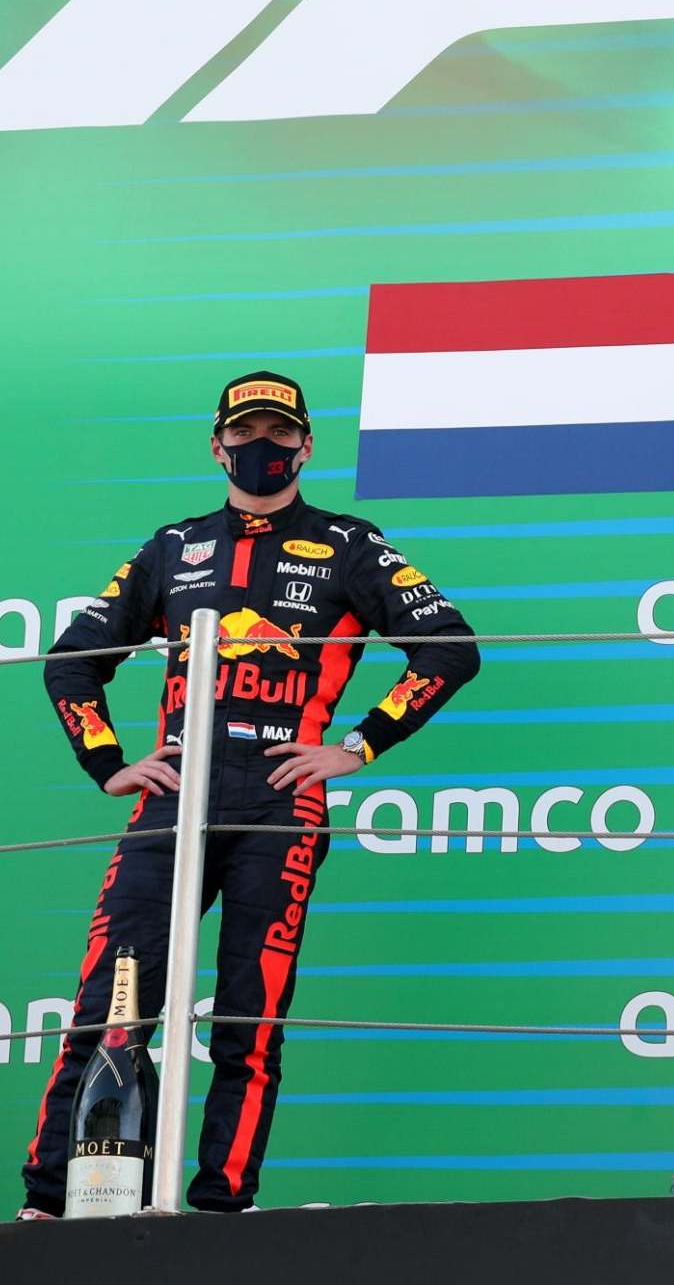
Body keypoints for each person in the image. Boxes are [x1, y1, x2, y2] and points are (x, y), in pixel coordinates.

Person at [17, 373, 480, 1218]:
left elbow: (449, 648)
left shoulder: (349, 543)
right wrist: (108, 759)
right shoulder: (172, 546)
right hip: (175, 797)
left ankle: (223, 1210)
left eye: (278, 433)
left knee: (250, 1020)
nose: (260, 447)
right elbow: (73, 660)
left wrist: (356, 745)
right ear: (216, 445)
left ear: (306, 446)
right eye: (245, 432)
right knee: (107, 1004)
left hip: (281, 800)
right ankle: (52, 1203)